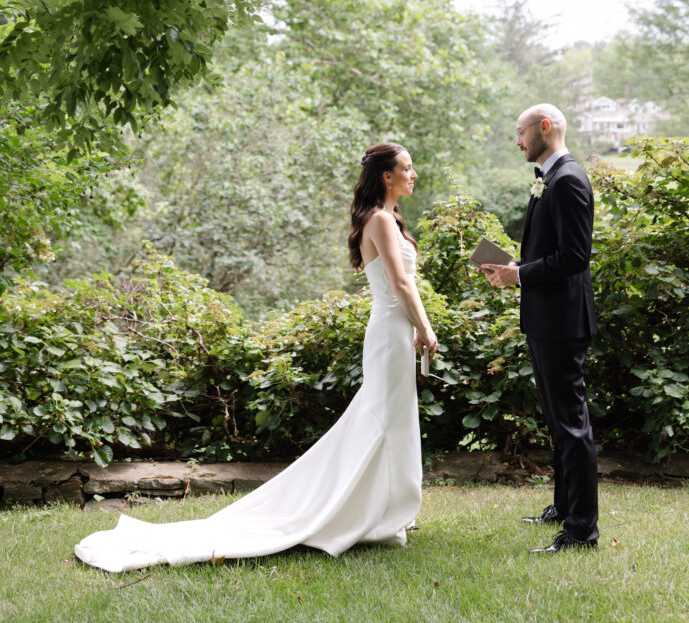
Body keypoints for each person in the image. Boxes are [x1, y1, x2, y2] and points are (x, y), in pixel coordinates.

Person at [74, 143, 438, 573]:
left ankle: (386, 513)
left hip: (395, 332)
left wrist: (414, 326)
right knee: (380, 422)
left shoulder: (389, 219)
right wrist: (427, 328)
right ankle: (364, 515)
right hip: (389, 334)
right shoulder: (379, 219)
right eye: (407, 168)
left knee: (393, 422)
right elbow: (400, 282)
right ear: (386, 176)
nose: (414, 174)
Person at [482, 103, 599, 553]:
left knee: (571, 425)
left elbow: (575, 257)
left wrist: (521, 276)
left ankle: (581, 530)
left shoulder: (568, 180)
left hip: (562, 321)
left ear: (543, 128)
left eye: (520, 132)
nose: (517, 140)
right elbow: (551, 249)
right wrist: (515, 267)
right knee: (558, 421)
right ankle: (564, 507)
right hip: (546, 317)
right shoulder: (550, 178)